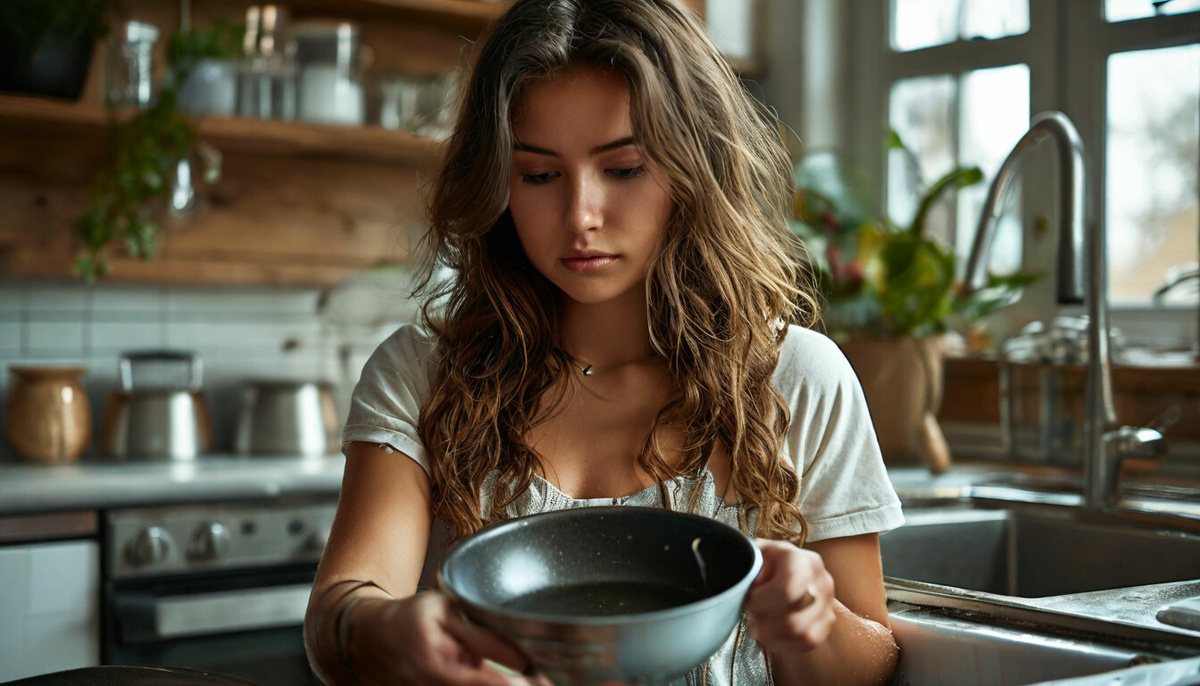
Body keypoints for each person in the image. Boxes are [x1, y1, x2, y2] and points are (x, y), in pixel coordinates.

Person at [304, 0, 904, 684]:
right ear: (497, 182)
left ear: (693, 169)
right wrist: (380, 627)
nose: (580, 215)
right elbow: (334, 622)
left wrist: (818, 622)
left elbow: (876, 664)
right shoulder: (420, 374)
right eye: (539, 175)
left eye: (623, 169)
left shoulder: (796, 377)